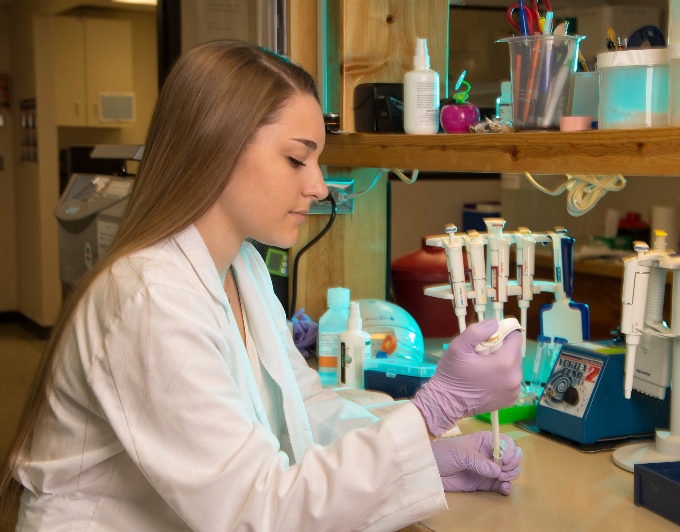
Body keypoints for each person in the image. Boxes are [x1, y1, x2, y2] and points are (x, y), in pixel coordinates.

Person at [0, 41, 523, 531]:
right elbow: (253, 513)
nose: (318, 186)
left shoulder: (242, 266)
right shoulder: (150, 296)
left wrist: (424, 455)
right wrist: (434, 409)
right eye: (297, 158)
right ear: (215, 147)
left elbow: (304, 410)